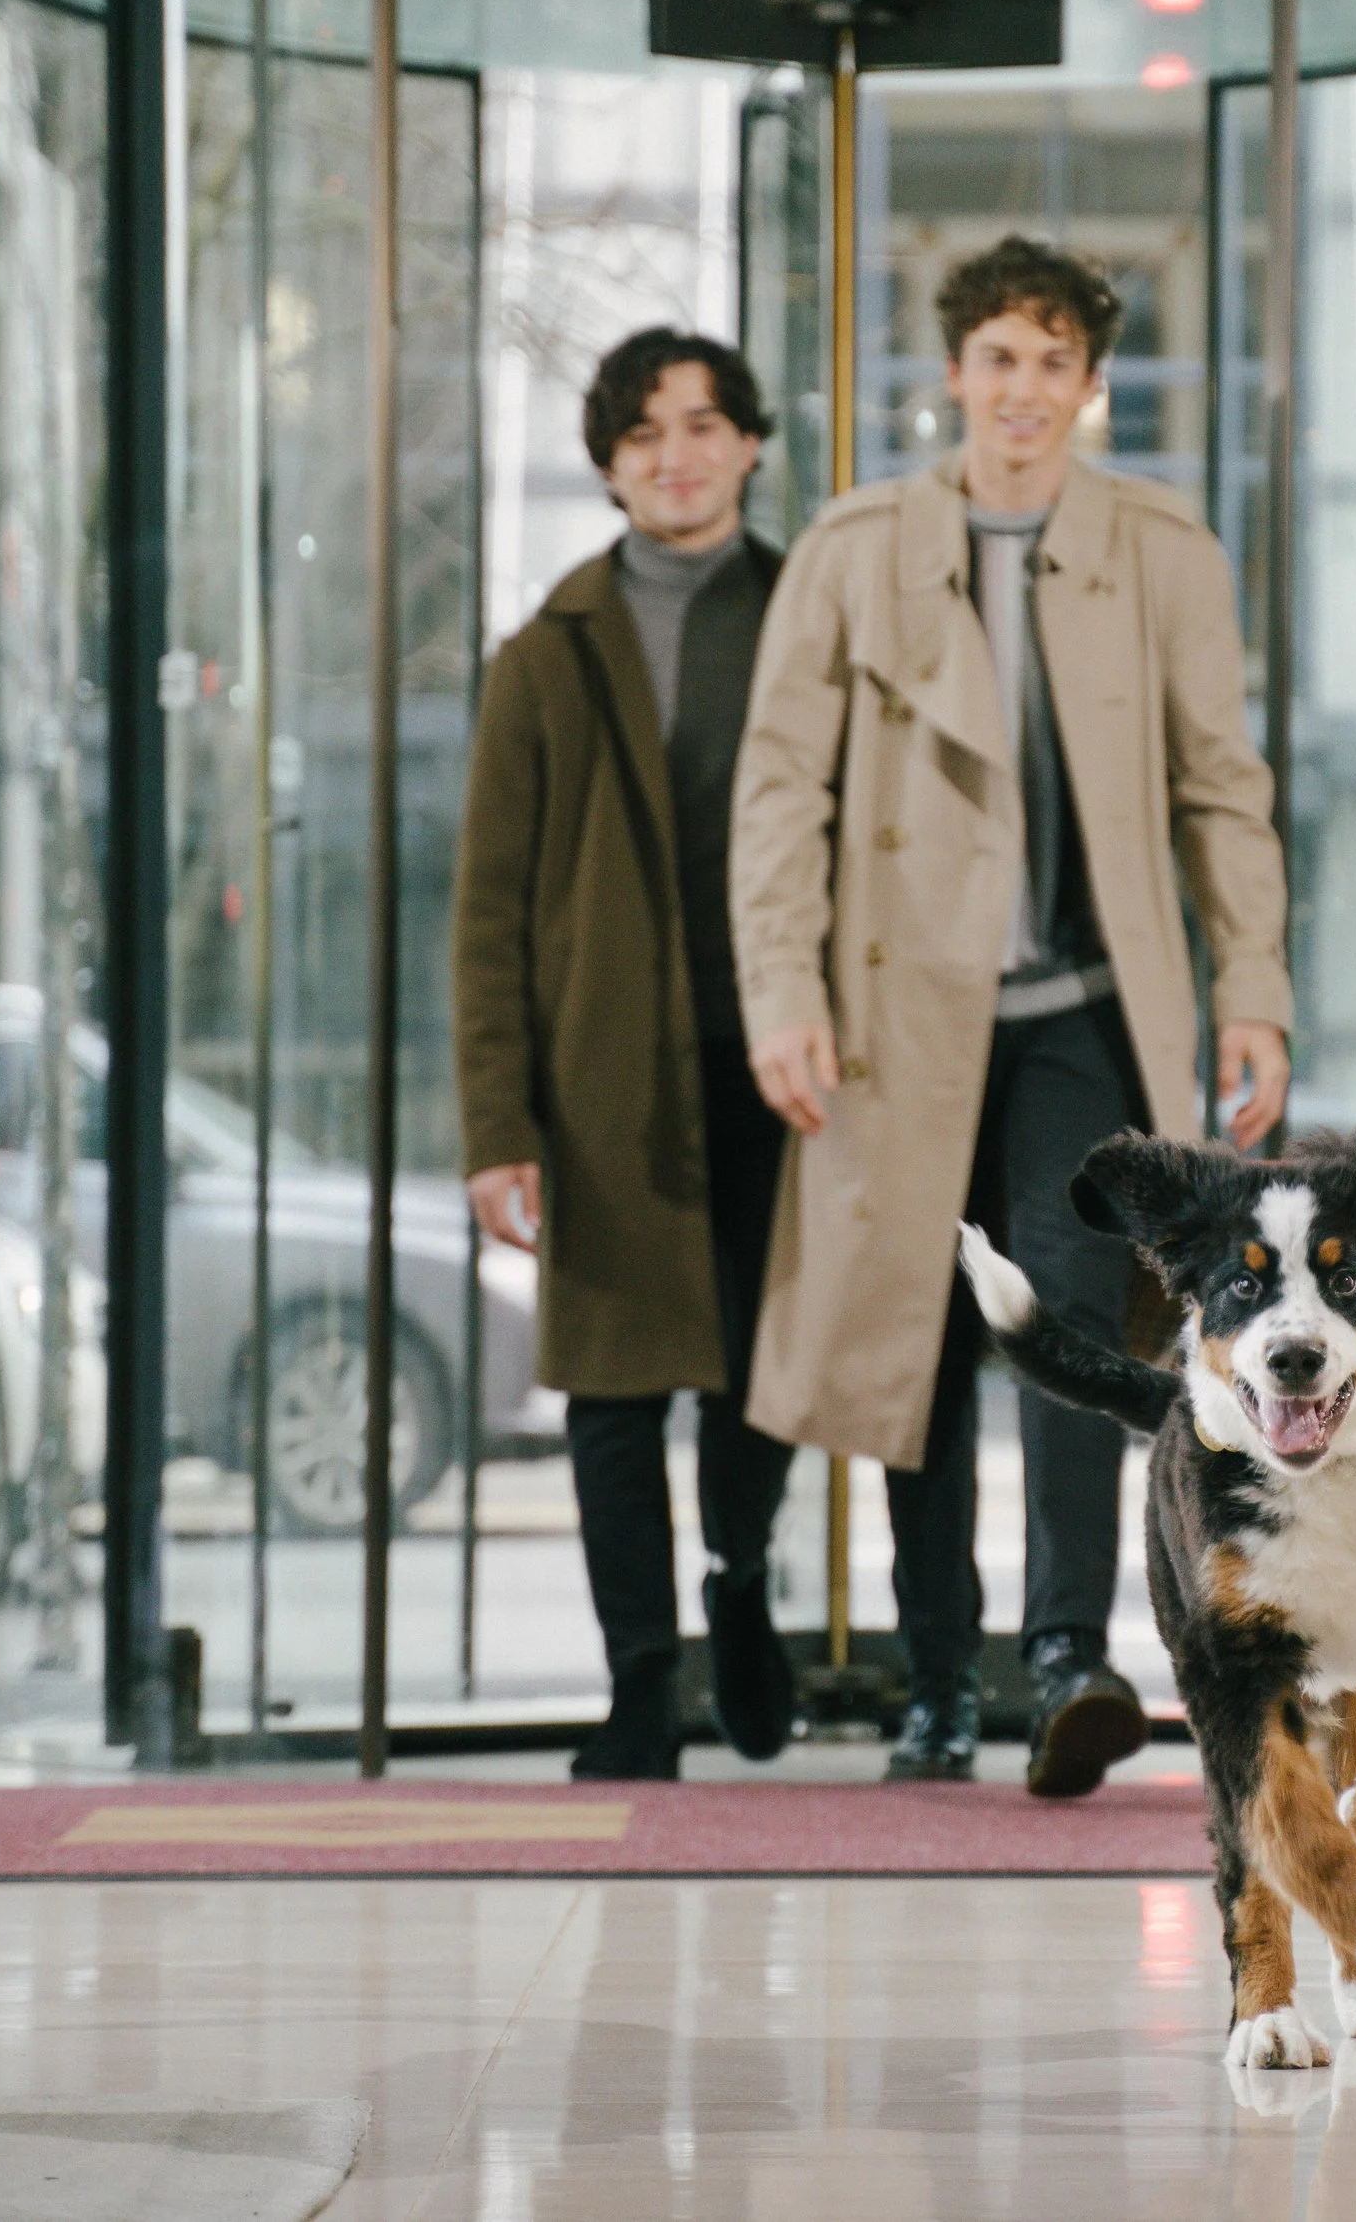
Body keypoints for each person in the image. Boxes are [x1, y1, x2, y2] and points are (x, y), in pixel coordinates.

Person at [731, 235, 1293, 1795]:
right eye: (999, 359)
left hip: (1084, 1012)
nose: (1024, 390)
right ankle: (932, 1680)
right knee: (915, 1335)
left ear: (1091, 384)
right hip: (893, 1012)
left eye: (1055, 362)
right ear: (954, 374)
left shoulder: (1161, 549)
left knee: (1059, 1322)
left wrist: (1252, 987)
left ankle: (1065, 1661)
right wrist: (780, 991)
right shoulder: (854, 549)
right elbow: (779, 793)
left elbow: (1220, 787)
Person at [452, 326, 797, 1781]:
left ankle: (740, 1583)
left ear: (751, 445)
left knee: (762, 1373)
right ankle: (641, 1681)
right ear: (608, 464)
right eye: (646, 433)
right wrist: (497, 1126)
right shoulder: (547, 653)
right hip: (604, 1082)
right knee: (611, 1396)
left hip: (782, 1067)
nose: (678, 456)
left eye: (705, 425)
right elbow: (489, 911)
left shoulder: (808, 617)